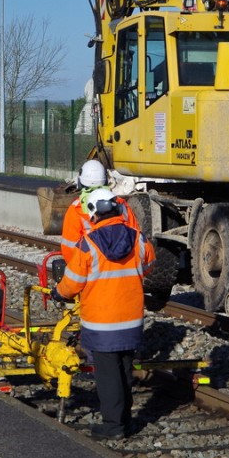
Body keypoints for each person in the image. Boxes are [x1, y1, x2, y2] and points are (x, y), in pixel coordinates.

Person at [51, 187, 155, 439]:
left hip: (101, 322)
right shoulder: (137, 238)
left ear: (94, 213)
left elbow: (72, 282)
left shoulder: (88, 245)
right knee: (124, 372)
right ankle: (125, 422)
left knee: (108, 377)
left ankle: (113, 427)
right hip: (130, 319)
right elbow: (149, 263)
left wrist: (58, 292)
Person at [60, 159, 139, 267]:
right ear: (107, 180)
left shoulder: (76, 209)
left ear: (80, 182)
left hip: (91, 272)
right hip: (125, 271)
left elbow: (69, 250)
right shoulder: (121, 204)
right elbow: (135, 239)